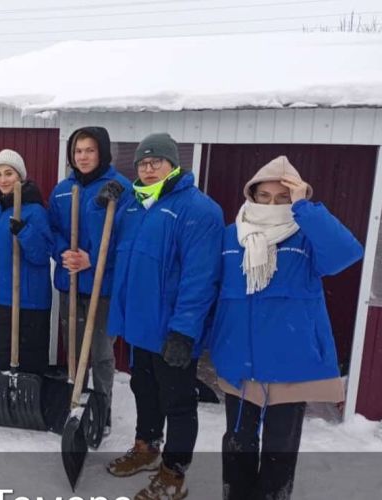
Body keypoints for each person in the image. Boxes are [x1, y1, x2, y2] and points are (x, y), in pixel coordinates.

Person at [208, 156, 363, 500]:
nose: (273, 203)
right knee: (238, 442)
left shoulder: (307, 233)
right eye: (265, 196)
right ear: (252, 195)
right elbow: (211, 288)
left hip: (290, 359)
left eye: (283, 197)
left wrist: (304, 208)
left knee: (280, 446)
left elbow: (346, 253)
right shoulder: (231, 236)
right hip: (240, 357)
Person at [100, 133, 224, 500]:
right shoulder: (135, 206)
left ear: (174, 165)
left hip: (172, 328)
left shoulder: (199, 209)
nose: (148, 168)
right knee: (144, 389)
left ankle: (174, 473)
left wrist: (184, 331)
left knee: (179, 401)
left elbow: (201, 277)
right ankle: (147, 447)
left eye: (156, 161)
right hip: (140, 324)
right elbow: (112, 250)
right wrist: (102, 203)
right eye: (142, 162)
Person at [48, 126, 132, 435]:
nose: (82, 157)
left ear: (103, 153)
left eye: (90, 150)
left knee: (100, 350)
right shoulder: (61, 189)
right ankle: (75, 400)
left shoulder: (119, 188)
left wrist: (93, 260)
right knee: (72, 346)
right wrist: (63, 252)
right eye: (78, 151)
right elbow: (53, 229)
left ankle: (102, 407)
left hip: (103, 285)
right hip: (70, 283)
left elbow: (125, 237)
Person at [0, 149, 53, 375]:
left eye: (8, 173)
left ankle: (24, 404)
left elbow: (42, 255)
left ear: (20, 176)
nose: (3, 179)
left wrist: (25, 232)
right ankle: (2, 403)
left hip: (25, 299)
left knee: (25, 362)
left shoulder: (35, 211)